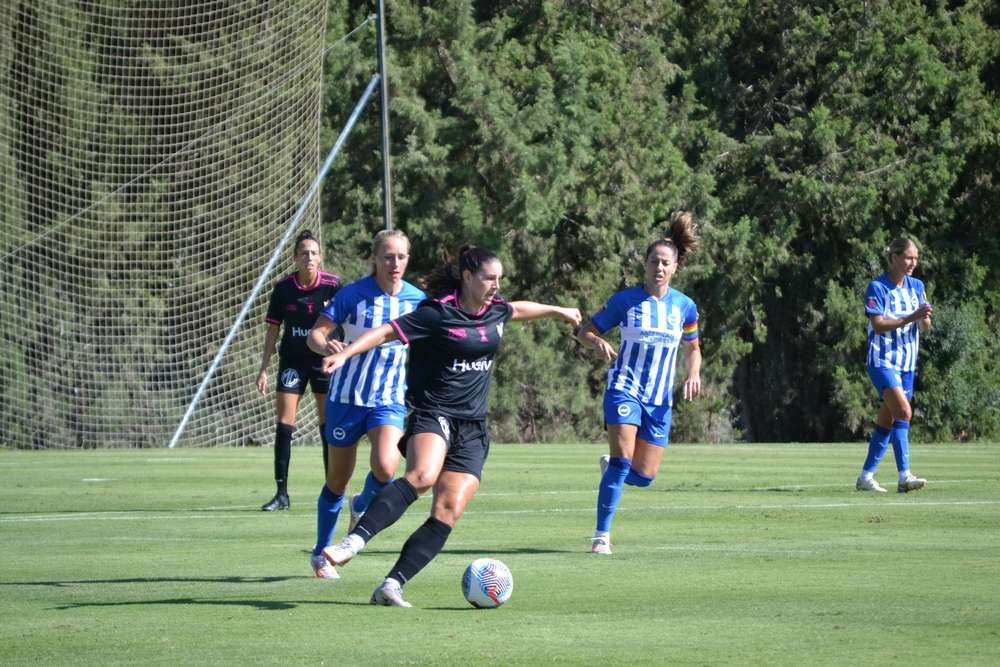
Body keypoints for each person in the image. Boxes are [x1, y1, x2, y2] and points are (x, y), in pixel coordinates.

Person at [318, 245, 581, 606]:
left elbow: (519, 309)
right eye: (489, 278)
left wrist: (558, 310)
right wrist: (345, 353)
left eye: (500, 279)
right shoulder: (437, 314)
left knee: (449, 509)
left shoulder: (496, 311)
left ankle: (392, 585)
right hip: (434, 412)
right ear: (468, 277)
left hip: (473, 428)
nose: (496, 285)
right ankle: (353, 542)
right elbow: (384, 332)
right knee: (422, 476)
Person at [576, 212, 702, 555]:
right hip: (624, 389)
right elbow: (585, 331)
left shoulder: (685, 308)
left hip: (660, 400)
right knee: (622, 462)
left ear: (675, 267)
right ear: (644, 265)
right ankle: (601, 536)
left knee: (644, 476)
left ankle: (612, 468)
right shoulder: (625, 301)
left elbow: (693, 348)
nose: (658, 268)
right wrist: (596, 341)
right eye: (653, 262)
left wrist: (693, 373)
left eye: (665, 263)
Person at [304, 229, 425, 579]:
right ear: (375, 258)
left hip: (389, 399)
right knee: (337, 482)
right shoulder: (352, 295)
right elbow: (315, 334)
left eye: (401, 257)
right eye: (388, 257)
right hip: (346, 398)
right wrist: (326, 345)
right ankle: (321, 553)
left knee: (387, 468)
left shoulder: (418, 300)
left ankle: (362, 504)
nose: (395, 264)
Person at [256, 230, 341, 511]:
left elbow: (347, 321)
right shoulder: (283, 288)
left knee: (327, 424)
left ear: (320, 257)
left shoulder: (333, 286)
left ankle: (331, 492)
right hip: (292, 362)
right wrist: (264, 368)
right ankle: (281, 494)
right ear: (295, 258)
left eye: (314, 253)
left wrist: (345, 352)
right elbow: (273, 329)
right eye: (304, 253)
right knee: (284, 424)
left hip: (323, 362)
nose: (309, 257)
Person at [856, 237, 932, 493]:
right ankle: (904, 476)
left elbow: (925, 325)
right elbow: (878, 325)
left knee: (887, 420)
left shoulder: (917, 286)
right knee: (904, 412)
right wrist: (911, 317)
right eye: (909, 257)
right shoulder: (877, 287)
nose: (913, 263)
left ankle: (866, 477)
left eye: (916, 258)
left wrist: (924, 317)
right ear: (894, 257)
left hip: (907, 363)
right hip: (883, 360)